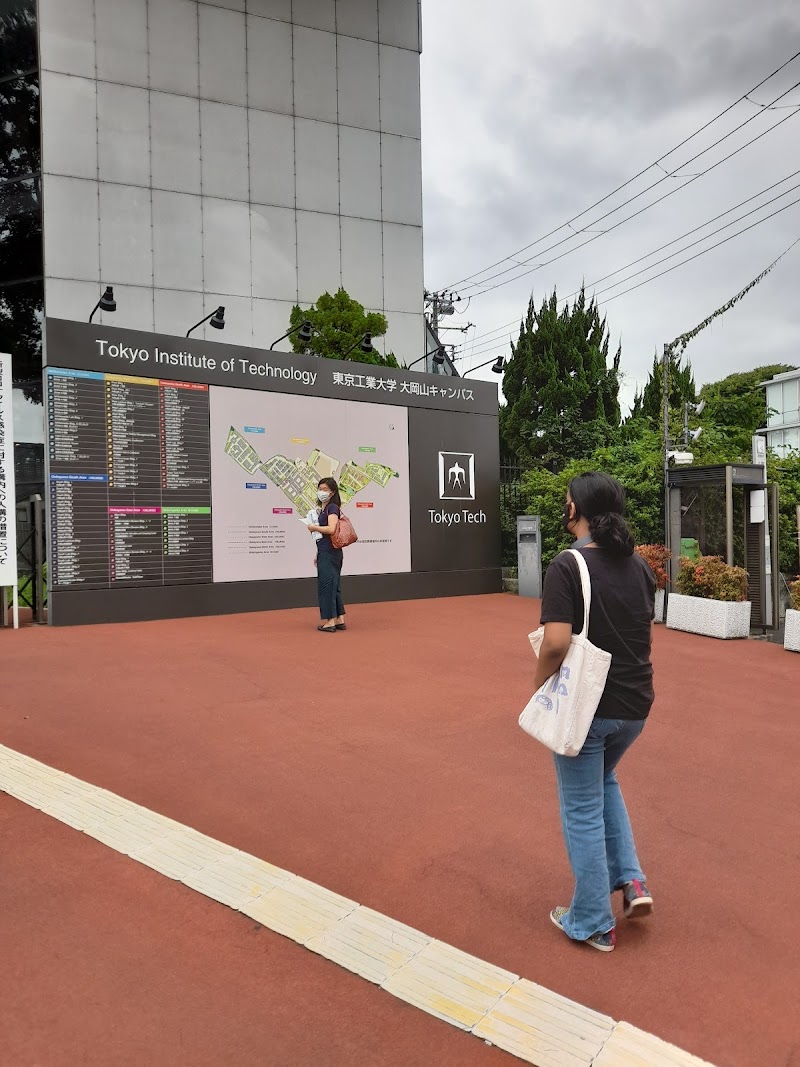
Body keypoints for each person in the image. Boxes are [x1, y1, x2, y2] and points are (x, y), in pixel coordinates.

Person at [534, 471, 656, 953]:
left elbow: (556, 642)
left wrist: (538, 684)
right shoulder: (640, 566)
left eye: (567, 501)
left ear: (575, 511)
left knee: (581, 808)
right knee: (604, 783)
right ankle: (633, 881)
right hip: (636, 705)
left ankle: (591, 920)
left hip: (588, 708)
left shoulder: (567, 566)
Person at [307, 477, 346, 633]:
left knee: (326, 586)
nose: (321, 492)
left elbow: (331, 529)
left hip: (330, 553)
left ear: (332, 492)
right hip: (327, 551)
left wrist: (314, 528)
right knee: (334, 586)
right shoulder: (325, 509)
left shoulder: (332, 508)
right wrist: (318, 553)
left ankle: (330, 622)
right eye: (320, 488)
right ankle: (339, 619)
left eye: (325, 489)